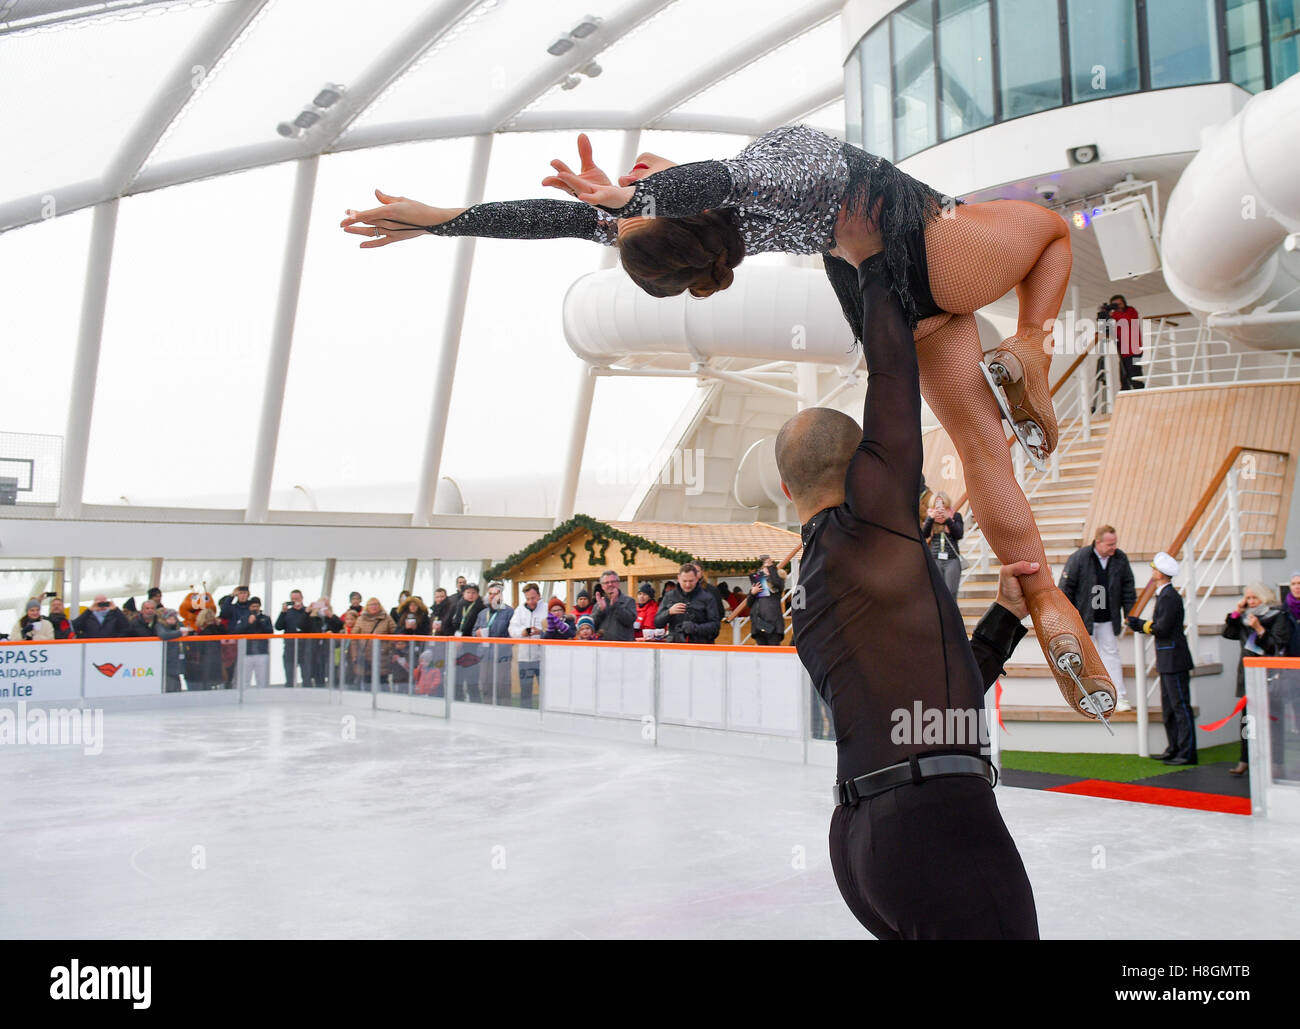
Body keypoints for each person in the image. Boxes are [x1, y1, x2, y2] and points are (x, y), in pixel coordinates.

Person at [342, 123, 1114, 716]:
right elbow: (692, 183)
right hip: (924, 236)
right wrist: (634, 200)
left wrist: (444, 219)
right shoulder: (739, 179)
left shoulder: (728, 223)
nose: (641, 168)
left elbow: (552, 220)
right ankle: (1031, 350)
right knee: (1049, 234)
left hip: (881, 300)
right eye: (646, 179)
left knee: (985, 451)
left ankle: (1043, 596)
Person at [775, 259, 1038, 939]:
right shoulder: (870, 525)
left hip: (864, 845)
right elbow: (893, 375)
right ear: (869, 465)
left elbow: (933, 711)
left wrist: (1005, 618)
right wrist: (870, 260)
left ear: (785, 491)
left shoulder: (804, 588)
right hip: (936, 826)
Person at [1127, 553, 1196, 764]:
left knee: (1180, 706)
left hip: (1174, 658)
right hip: (1168, 658)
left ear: (1160, 573)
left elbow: (1163, 627)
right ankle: (1174, 747)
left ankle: (1186, 752)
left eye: (1154, 569)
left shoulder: (1170, 596)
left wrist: (1141, 625)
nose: (1152, 572)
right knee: (1170, 707)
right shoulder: (1165, 595)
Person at [1058, 526, 1137, 711]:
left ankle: (1120, 697)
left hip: (1108, 619)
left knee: (1112, 657)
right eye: (1110, 544)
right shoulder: (1080, 558)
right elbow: (1065, 589)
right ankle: (1088, 699)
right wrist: (1068, 618)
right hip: (1084, 621)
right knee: (1085, 661)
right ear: (1098, 542)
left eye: (1115, 543)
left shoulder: (1120, 558)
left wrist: (1130, 614)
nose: (1114, 547)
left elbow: (1128, 587)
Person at [1222, 583, 1291, 776]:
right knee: (1247, 720)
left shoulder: (1278, 617)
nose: (1251, 602)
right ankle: (1245, 759)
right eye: (1248, 598)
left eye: (1255, 598)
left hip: (1271, 676)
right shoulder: (1244, 618)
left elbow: (1276, 646)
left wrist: (1259, 629)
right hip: (1248, 676)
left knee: (1273, 721)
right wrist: (1236, 612)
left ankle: (1277, 762)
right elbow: (1228, 633)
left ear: (1264, 598)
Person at [654, 562, 721, 644]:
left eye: (691, 581)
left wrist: (695, 628)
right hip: (675, 645)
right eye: (684, 581)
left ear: (697, 578)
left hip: (700, 646)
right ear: (678, 579)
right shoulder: (669, 596)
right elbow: (657, 623)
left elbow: (715, 626)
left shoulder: (707, 598)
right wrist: (669, 612)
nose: (688, 585)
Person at [473, 583, 515, 704]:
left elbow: (512, 635)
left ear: (501, 595)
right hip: (485, 655)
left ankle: (505, 712)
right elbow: (473, 631)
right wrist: (478, 633)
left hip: (502, 656)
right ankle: (487, 710)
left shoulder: (509, 612)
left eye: (496, 593)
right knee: (486, 685)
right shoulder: (482, 613)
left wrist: (499, 645)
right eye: (490, 594)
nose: (492, 596)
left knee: (502, 686)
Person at [509, 583, 547, 708]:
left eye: (533, 598)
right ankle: (525, 716)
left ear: (539, 596)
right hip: (524, 658)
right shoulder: (519, 610)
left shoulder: (546, 608)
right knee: (525, 691)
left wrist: (540, 632)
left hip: (542, 658)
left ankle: (547, 715)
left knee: (545, 690)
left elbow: (552, 629)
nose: (531, 601)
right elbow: (511, 629)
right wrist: (522, 632)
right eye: (528, 598)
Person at [921, 492, 964, 598]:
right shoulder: (930, 516)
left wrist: (948, 519)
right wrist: (931, 519)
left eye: (942, 502)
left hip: (952, 560)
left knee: (951, 593)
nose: (939, 505)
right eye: (936, 503)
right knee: (937, 594)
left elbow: (959, 534)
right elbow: (924, 535)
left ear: (946, 503)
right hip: (935, 559)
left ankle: (952, 615)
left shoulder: (955, 516)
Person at [352, 597, 396, 690]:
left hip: (382, 657)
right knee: (367, 683)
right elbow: (353, 637)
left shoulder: (387, 618)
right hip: (365, 658)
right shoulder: (361, 619)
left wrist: (387, 647)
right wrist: (355, 655)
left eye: (376, 604)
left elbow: (395, 634)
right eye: (371, 604)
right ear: (367, 607)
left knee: (383, 683)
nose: (374, 607)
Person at [744, 556, 786, 646]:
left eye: (768, 569)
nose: (766, 571)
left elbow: (777, 582)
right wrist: (752, 593)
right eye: (764, 569)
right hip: (759, 625)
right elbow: (749, 604)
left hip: (773, 626)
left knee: (774, 654)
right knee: (761, 654)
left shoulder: (777, 583)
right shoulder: (757, 584)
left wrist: (770, 566)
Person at [275, 589, 313, 687]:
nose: (295, 601)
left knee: (306, 674)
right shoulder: (287, 612)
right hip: (290, 647)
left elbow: (310, 627)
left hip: (305, 647)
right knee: (289, 674)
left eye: (297, 598)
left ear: (302, 598)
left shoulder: (308, 611)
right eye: (293, 599)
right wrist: (283, 613)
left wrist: (307, 613)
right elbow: (278, 626)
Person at [592, 570, 637, 642]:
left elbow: (629, 621)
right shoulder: (599, 604)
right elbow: (592, 625)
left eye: (613, 582)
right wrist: (600, 611)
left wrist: (616, 605)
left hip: (623, 646)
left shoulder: (629, 601)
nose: (610, 584)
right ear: (602, 586)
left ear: (618, 583)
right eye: (606, 582)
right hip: (603, 646)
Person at [185, 608, 225, 690]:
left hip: (206, 666)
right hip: (214, 664)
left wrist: (191, 636)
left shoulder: (207, 632)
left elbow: (199, 648)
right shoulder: (218, 629)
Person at [308, 598, 343, 687]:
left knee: (331, 668)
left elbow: (340, 625)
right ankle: (319, 684)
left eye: (326, 605)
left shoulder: (331, 617)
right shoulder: (313, 618)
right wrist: (309, 612)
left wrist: (331, 616)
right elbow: (305, 626)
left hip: (330, 648)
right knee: (318, 669)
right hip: (316, 648)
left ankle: (332, 685)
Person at [240, 597, 274, 689]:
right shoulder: (244, 618)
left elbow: (269, 631)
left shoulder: (265, 618)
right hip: (247, 652)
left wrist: (258, 620)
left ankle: (261, 697)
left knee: (261, 679)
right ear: (249, 607)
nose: (255, 608)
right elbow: (238, 631)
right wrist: (248, 622)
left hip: (261, 652)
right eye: (253, 606)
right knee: (245, 679)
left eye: (257, 606)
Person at [156, 608, 188, 692]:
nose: (172, 620)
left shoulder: (179, 625)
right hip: (167, 661)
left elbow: (186, 630)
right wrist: (179, 633)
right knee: (169, 685)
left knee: (177, 685)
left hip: (178, 661)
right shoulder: (160, 625)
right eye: (169, 618)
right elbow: (163, 635)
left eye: (174, 618)